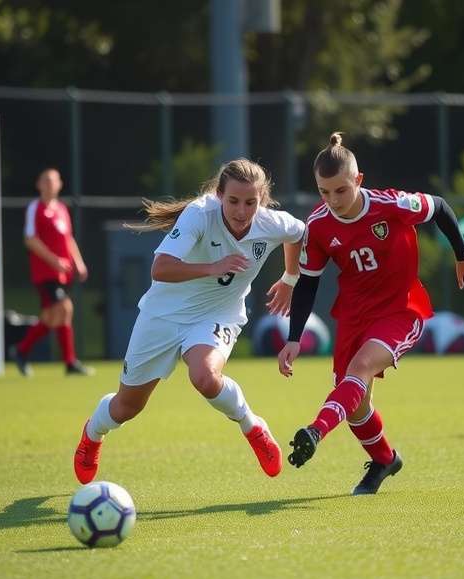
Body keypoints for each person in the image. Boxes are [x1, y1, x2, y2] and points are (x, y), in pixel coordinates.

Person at [277, 133, 464, 495]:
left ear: (358, 180)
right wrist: (294, 337)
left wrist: (463, 253)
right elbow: (309, 282)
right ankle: (386, 460)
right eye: (323, 192)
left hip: (400, 309)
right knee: (356, 405)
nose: (332, 201)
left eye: (340, 190)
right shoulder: (319, 225)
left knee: (357, 371)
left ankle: (316, 430)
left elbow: (438, 206)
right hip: (354, 315)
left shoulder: (391, 204)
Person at [73, 158, 305, 483]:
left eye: (250, 202)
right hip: (163, 315)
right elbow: (160, 268)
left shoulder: (272, 223)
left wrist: (290, 278)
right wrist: (213, 267)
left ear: (261, 200)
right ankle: (92, 436)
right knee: (126, 407)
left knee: (205, 377)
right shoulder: (199, 213)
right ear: (220, 195)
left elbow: (298, 235)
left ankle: (253, 427)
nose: (241, 211)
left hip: (217, 313)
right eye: (234, 201)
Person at [14, 168, 93, 376]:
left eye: (53, 181)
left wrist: (79, 262)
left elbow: (68, 238)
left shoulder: (61, 209)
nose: (49, 185)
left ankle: (21, 351)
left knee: (52, 317)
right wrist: (54, 260)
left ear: (59, 185)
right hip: (44, 273)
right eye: (45, 181)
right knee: (65, 309)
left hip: (61, 273)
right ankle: (69, 362)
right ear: (39, 184)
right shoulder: (35, 208)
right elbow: (30, 239)